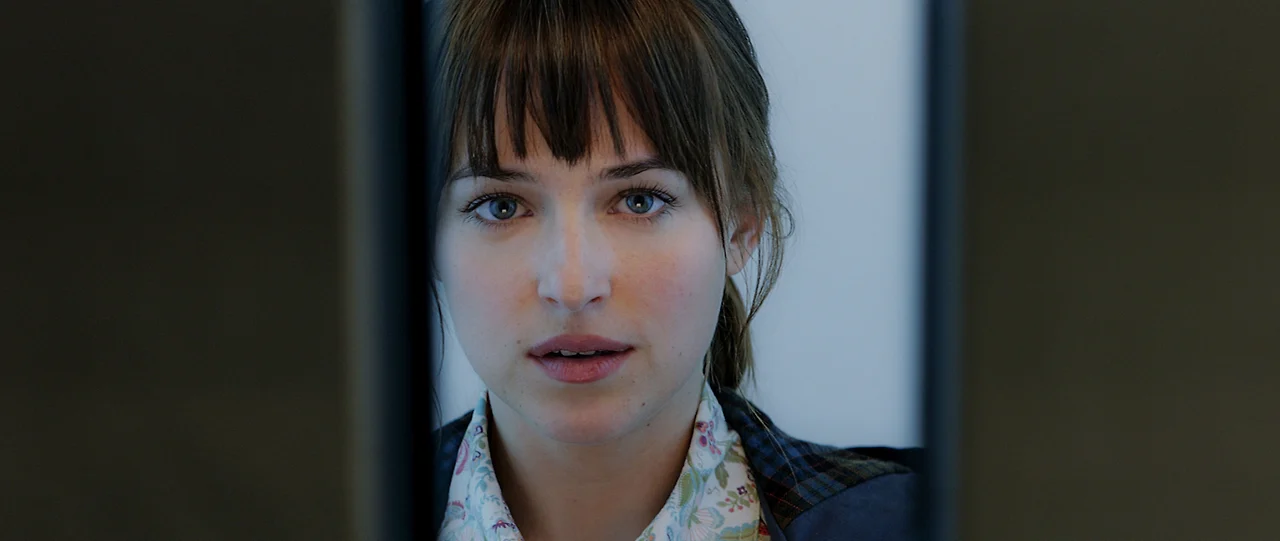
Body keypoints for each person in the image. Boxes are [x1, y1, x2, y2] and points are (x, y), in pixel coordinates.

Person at [426, 0, 918, 539]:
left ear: (741, 226)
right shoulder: (351, 511)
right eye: (501, 207)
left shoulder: (932, 521)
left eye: (640, 201)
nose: (572, 286)